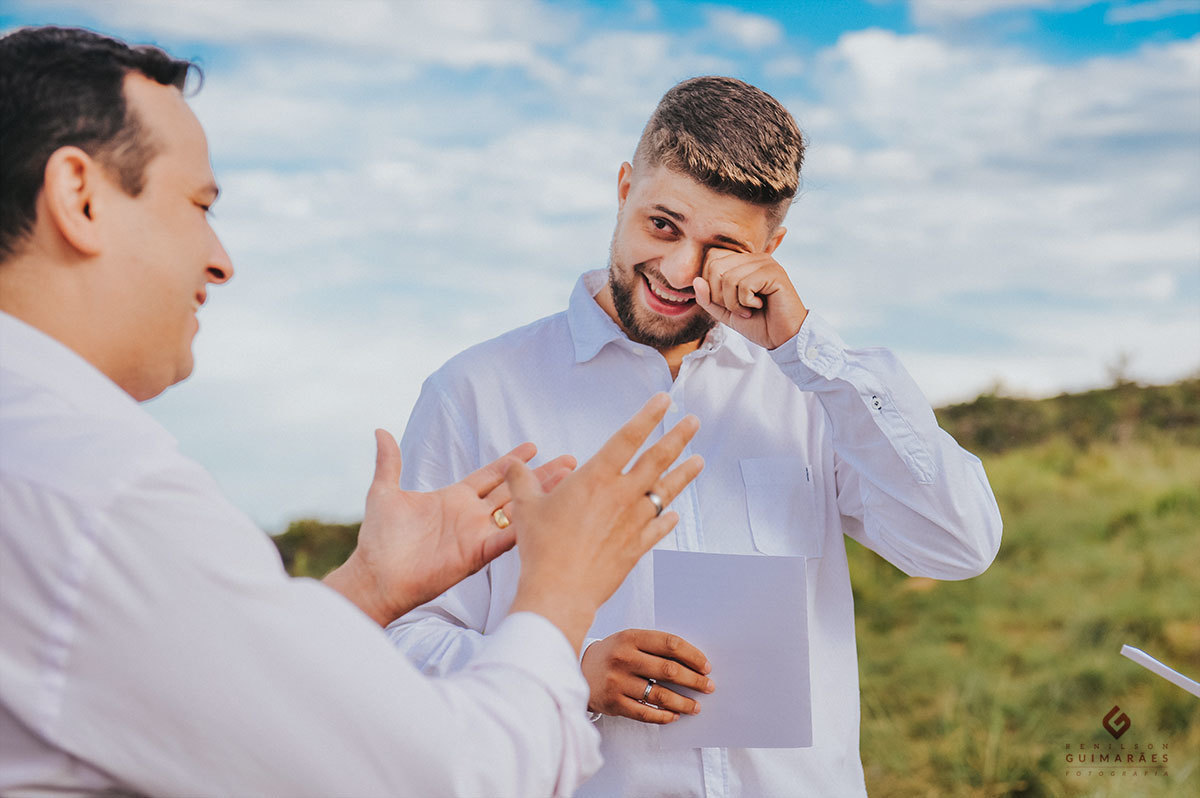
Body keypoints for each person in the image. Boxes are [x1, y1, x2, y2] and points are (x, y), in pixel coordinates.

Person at [0, 25, 705, 796]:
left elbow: (219, 694)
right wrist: (562, 589)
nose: (221, 259)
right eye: (199, 204)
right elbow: (451, 779)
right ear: (80, 197)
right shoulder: (100, 493)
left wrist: (368, 587)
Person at [387, 75, 1004, 796]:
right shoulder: (476, 393)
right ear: (623, 189)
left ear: (771, 247)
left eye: (720, 246)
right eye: (663, 225)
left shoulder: (812, 392)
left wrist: (811, 354)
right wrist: (566, 668)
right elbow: (401, 642)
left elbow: (959, 545)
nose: (680, 272)